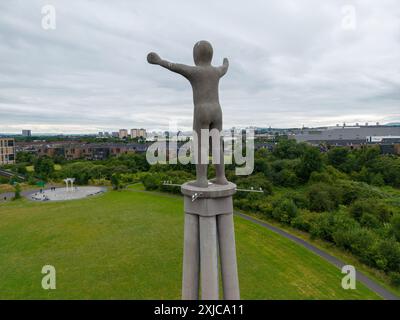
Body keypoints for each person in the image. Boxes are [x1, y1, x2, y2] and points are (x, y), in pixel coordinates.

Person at [147, 40, 229, 188]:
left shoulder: (194, 71)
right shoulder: (216, 71)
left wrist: (159, 61)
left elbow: (174, 66)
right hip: (217, 111)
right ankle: (221, 177)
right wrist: (225, 62)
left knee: (201, 146)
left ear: (195, 56)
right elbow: (225, 68)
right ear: (211, 56)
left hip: (202, 110)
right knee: (217, 145)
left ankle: (202, 179)